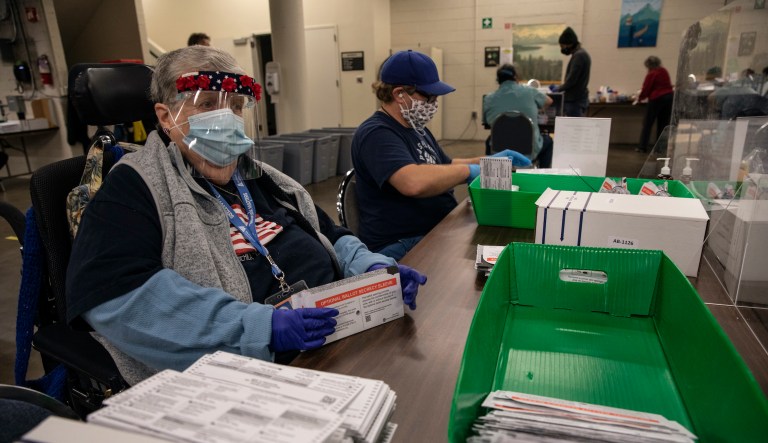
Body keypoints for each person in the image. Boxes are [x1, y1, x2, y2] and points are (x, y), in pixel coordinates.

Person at [65, 45, 427, 386]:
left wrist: (372, 268)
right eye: (207, 104)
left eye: (236, 106)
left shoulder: (263, 179)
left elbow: (328, 233)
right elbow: (114, 296)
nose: (226, 118)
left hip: (340, 332)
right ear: (165, 117)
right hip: (255, 371)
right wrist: (261, 328)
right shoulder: (137, 185)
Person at [351, 50, 531, 260]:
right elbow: (412, 182)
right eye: (429, 96)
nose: (434, 103)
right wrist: (468, 171)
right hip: (402, 243)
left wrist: (487, 162)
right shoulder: (376, 133)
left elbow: (446, 164)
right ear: (399, 94)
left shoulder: (416, 128)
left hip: (434, 228)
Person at [483, 64, 554, 167]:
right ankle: (542, 174)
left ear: (498, 80)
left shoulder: (488, 99)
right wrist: (536, 109)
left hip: (500, 151)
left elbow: (486, 121)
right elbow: (549, 101)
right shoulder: (530, 91)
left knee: (489, 141)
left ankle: (492, 171)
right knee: (548, 141)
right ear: (516, 77)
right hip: (529, 151)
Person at [635, 56, 674, 153]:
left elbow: (647, 88)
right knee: (663, 124)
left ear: (649, 65)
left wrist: (640, 98)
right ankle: (661, 148)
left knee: (648, 123)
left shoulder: (652, 73)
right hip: (669, 98)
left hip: (657, 98)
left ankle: (642, 147)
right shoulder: (664, 71)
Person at [554, 27, 591, 117]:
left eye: (562, 46)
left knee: (574, 125)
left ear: (569, 44)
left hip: (575, 101)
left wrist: (558, 89)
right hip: (579, 99)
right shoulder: (582, 54)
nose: (562, 49)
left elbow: (572, 79)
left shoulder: (579, 56)